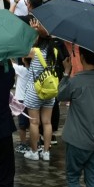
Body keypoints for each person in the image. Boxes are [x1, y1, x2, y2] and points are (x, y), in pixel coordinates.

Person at [57, 46, 94, 187]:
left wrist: (66, 72)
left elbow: (60, 95)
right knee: (92, 179)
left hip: (76, 140)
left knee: (73, 177)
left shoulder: (77, 81)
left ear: (81, 57)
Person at [23, 19, 61, 162]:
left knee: (34, 123)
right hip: (50, 91)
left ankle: (34, 152)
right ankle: (46, 152)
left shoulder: (35, 52)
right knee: (47, 122)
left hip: (35, 90)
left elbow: (23, 51)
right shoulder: (55, 52)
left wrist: (33, 32)